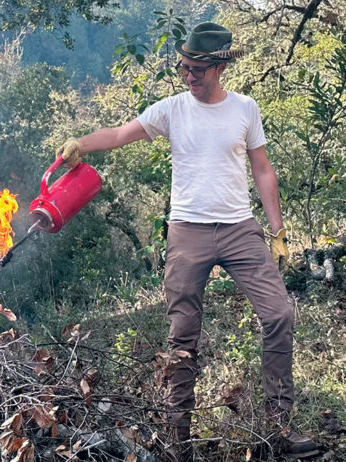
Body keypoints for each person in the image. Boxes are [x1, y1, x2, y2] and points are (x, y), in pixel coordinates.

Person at [56, 22, 319, 460]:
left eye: (198, 69)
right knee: (183, 338)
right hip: (187, 232)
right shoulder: (173, 109)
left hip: (240, 229)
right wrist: (80, 143)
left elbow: (263, 170)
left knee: (278, 315)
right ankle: (178, 443)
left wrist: (277, 232)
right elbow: (121, 135)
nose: (189, 76)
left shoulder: (245, 109)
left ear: (219, 67)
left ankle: (279, 429)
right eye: (184, 67)